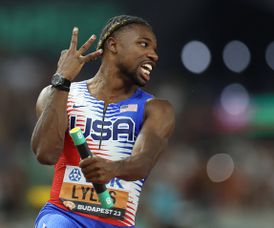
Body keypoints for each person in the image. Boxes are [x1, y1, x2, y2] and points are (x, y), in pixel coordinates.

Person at [31, 15, 175, 228]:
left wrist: (113, 168)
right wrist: (62, 80)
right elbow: (45, 154)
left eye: (154, 49)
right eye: (143, 44)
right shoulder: (60, 95)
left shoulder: (156, 109)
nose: (153, 55)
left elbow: (144, 163)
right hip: (63, 215)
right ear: (113, 45)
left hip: (117, 223)